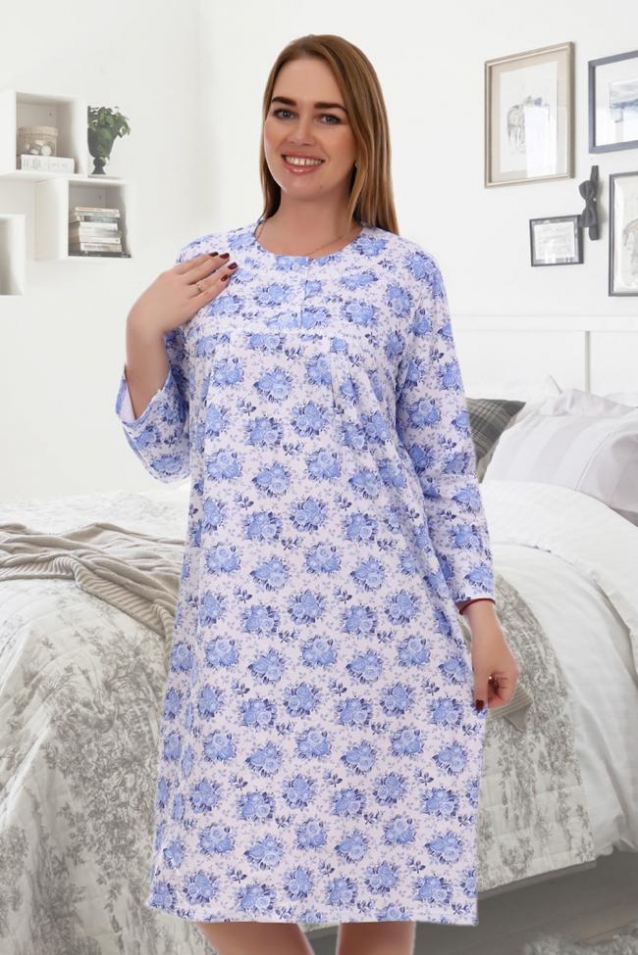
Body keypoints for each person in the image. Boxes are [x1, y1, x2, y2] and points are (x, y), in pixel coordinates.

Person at [115, 32, 520, 955]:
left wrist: (482, 613)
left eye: (327, 116)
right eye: (284, 111)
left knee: (380, 875)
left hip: (381, 628)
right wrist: (143, 329)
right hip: (240, 629)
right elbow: (168, 451)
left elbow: (443, 463)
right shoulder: (206, 268)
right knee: (222, 872)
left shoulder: (403, 275)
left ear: (362, 135)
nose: (300, 136)